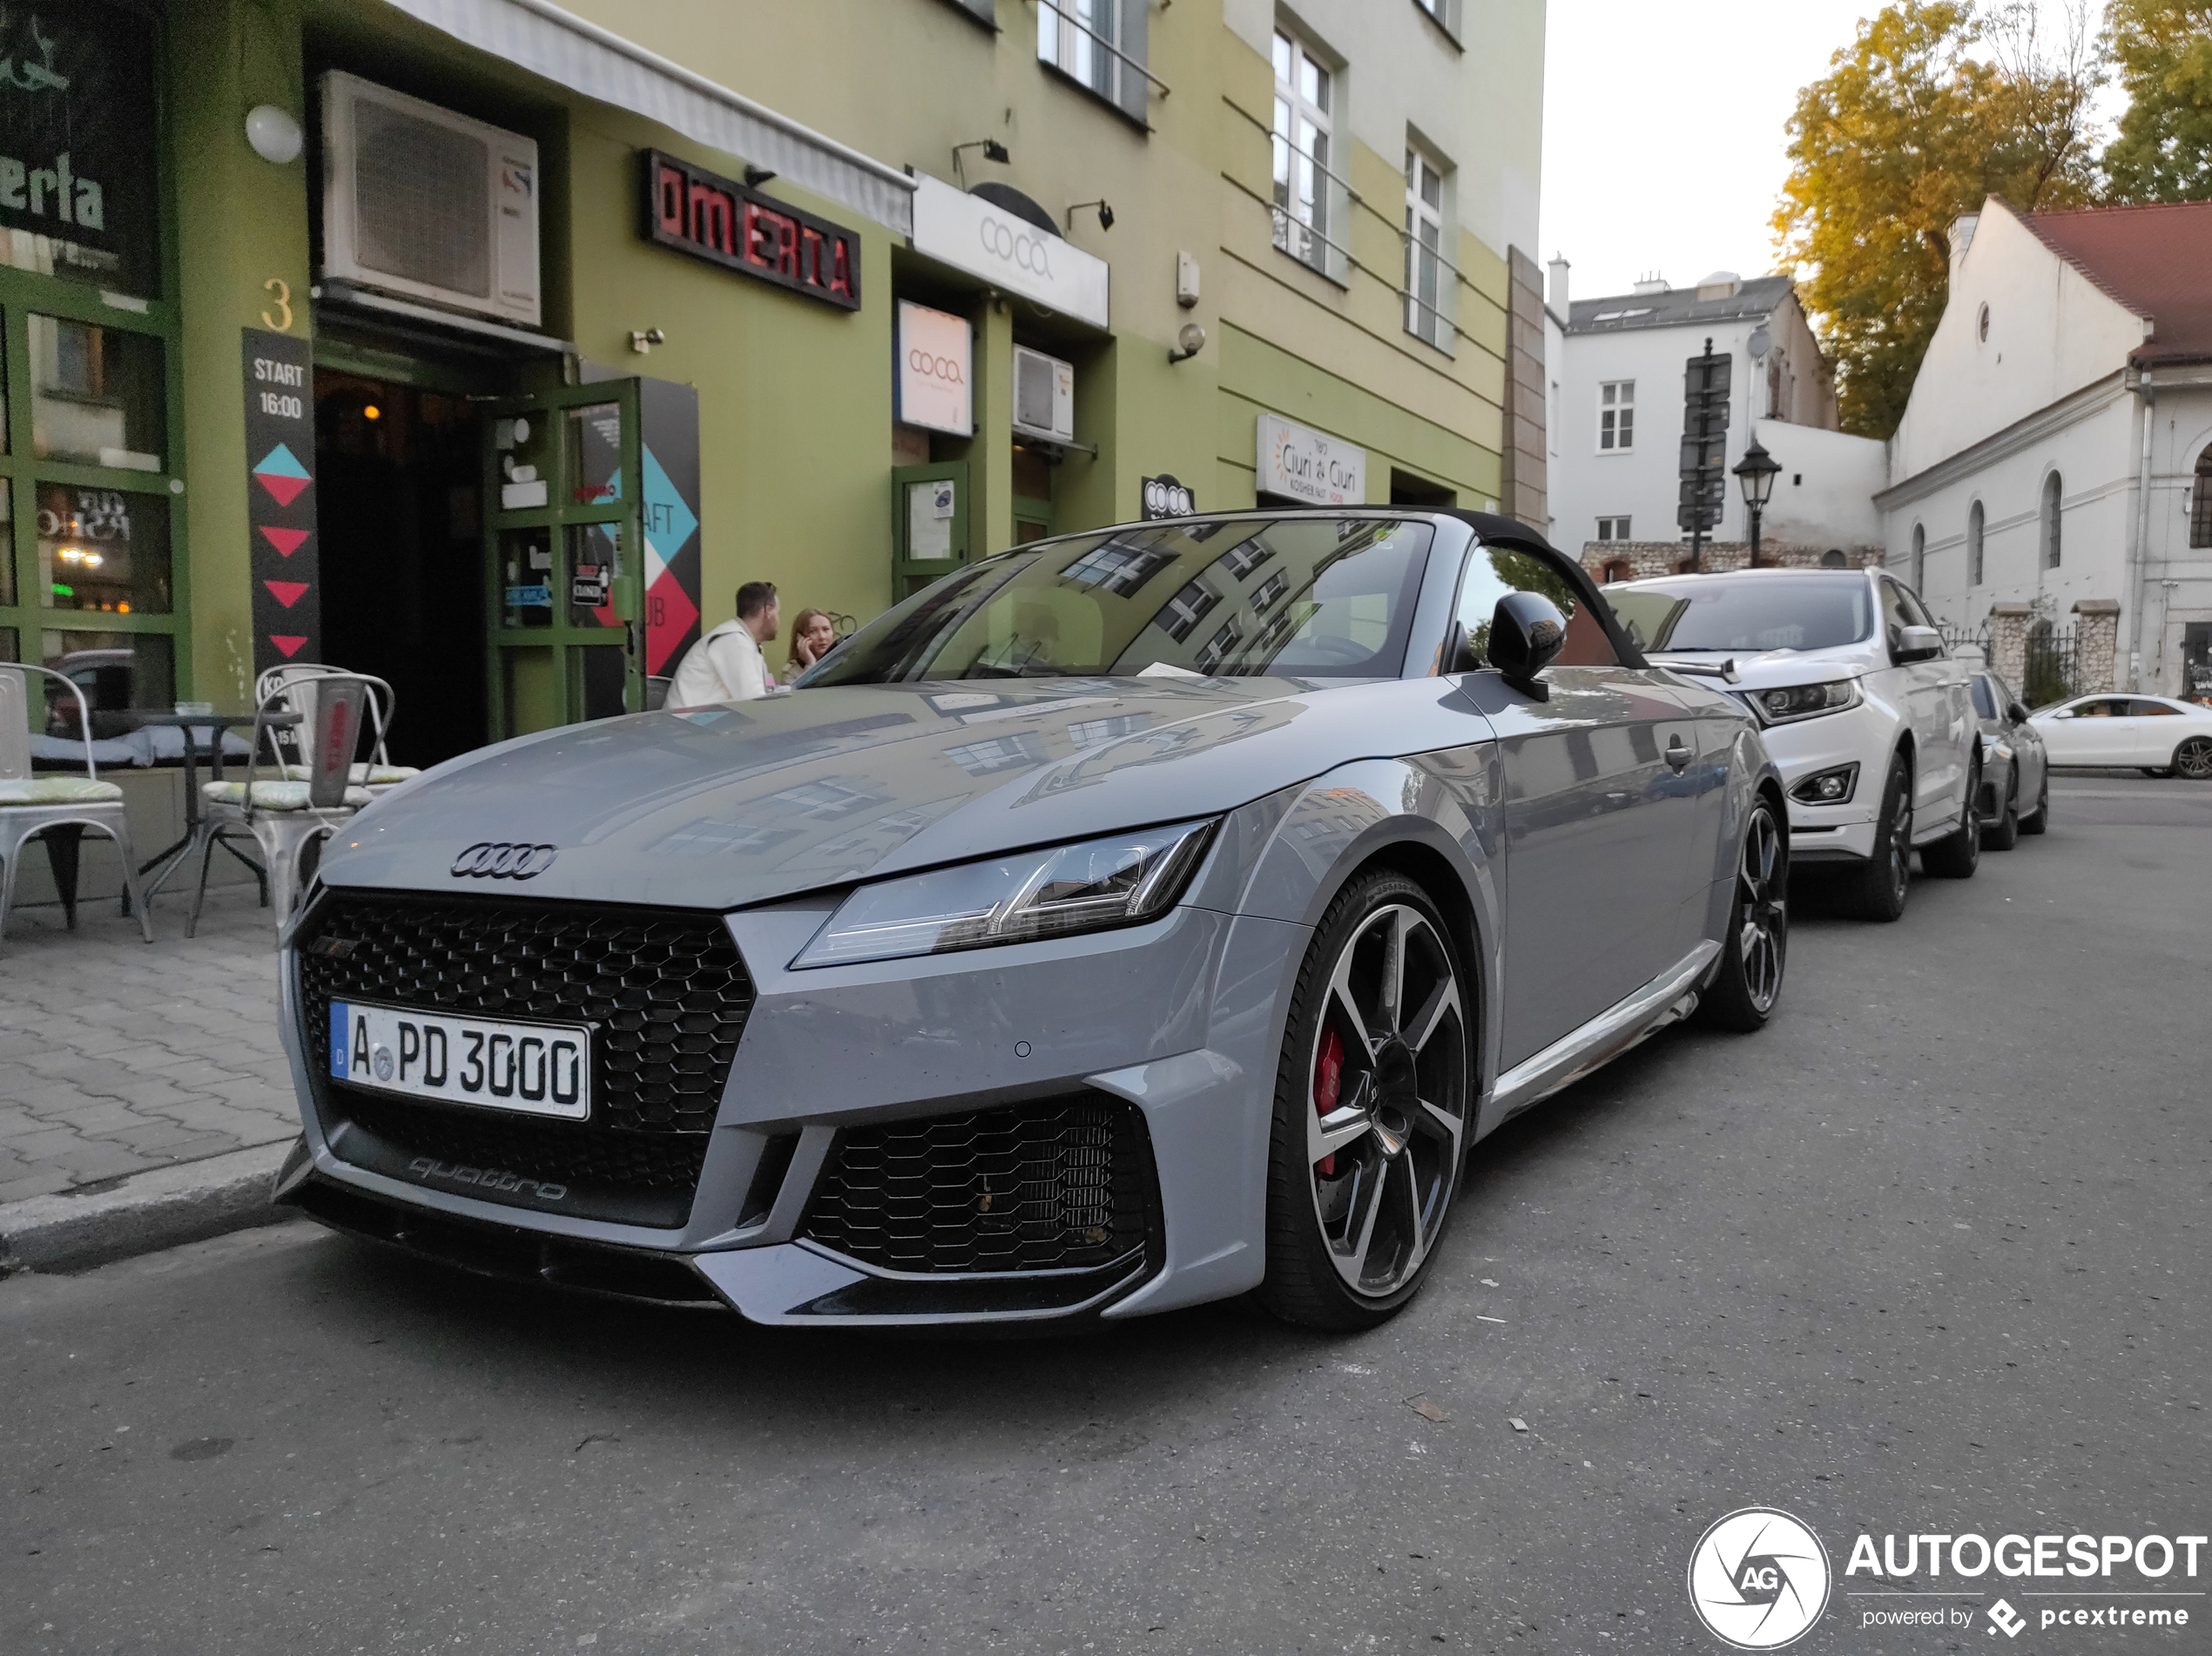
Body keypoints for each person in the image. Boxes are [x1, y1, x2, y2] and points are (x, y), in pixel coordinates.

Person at [668, 581, 779, 706]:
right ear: (768, 611)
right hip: (687, 723)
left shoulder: (739, 640)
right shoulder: (734, 642)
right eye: (778, 613)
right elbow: (755, 703)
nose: (778, 620)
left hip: (698, 721)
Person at [786, 607, 838, 679]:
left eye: (826, 629)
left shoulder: (844, 662)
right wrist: (810, 664)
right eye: (813, 631)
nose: (822, 637)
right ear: (800, 637)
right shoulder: (791, 672)